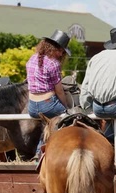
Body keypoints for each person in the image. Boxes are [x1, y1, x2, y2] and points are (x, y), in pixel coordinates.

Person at [26, 29, 72, 159]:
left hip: (32, 107)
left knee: (47, 125)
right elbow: (59, 91)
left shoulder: (32, 58)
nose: (62, 53)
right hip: (48, 105)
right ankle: (62, 151)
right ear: (55, 48)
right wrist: (65, 108)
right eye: (62, 50)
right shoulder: (53, 63)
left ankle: (39, 152)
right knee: (68, 118)